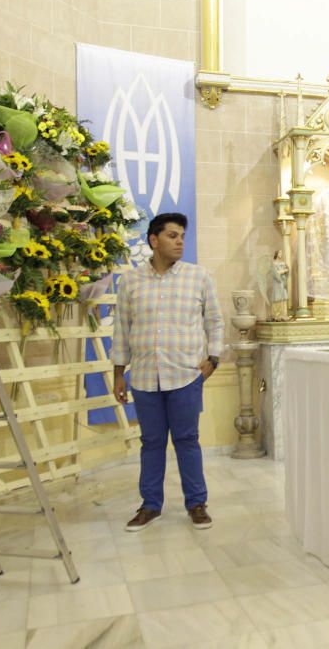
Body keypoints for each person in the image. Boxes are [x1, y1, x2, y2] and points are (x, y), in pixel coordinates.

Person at [111, 212, 225, 532]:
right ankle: (150, 505)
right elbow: (121, 329)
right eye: (172, 236)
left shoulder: (199, 277)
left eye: (182, 237)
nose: (179, 242)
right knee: (151, 442)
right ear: (153, 240)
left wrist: (213, 358)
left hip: (186, 375)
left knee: (187, 439)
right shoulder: (131, 281)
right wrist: (119, 372)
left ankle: (196, 503)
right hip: (145, 376)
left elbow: (214, 320)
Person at [269, 249, 290, 321]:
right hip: (277, 282)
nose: (281, 254)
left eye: (281, 253)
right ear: (276, 254)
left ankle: (283, 314)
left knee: (283, 296)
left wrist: (287, 271)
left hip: (282, 281)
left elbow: (287, 271)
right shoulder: (273, 263)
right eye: (280, 253)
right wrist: (283, 271)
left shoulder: (283, 263)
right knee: (277, 296)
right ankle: (276, 315)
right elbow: (274, 273)